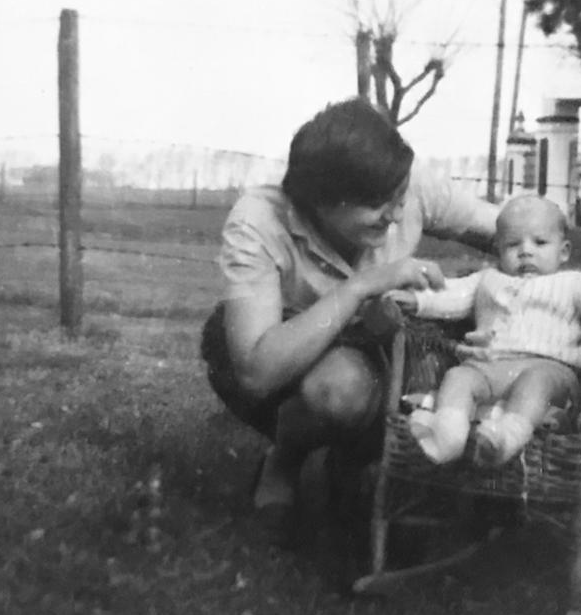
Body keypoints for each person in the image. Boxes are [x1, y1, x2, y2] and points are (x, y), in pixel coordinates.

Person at [200, 97, 499, 543]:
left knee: (390, 379)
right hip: (288, 354)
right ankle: (285, 459)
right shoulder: (259, 219)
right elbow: (256, 371)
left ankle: (352, 464)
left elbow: (508, 228)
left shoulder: (404, 183)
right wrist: (362, 285)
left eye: (400, 200)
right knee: (338, 391)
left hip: (378, 345)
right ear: (321, 201)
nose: (396, 215)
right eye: (378, 206)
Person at [388, 195, 581, 466]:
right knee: (458, 376)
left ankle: (506, 437)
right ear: (498, 249)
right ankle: (448, 435)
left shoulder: (572, 283)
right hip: (488, 367)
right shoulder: (487, 280)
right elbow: (450, 294)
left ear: (564, 251)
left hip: (549, 370)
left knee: (535, 382)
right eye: (513, 244)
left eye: (540, 243)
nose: (525, 251)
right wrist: (419, 301)